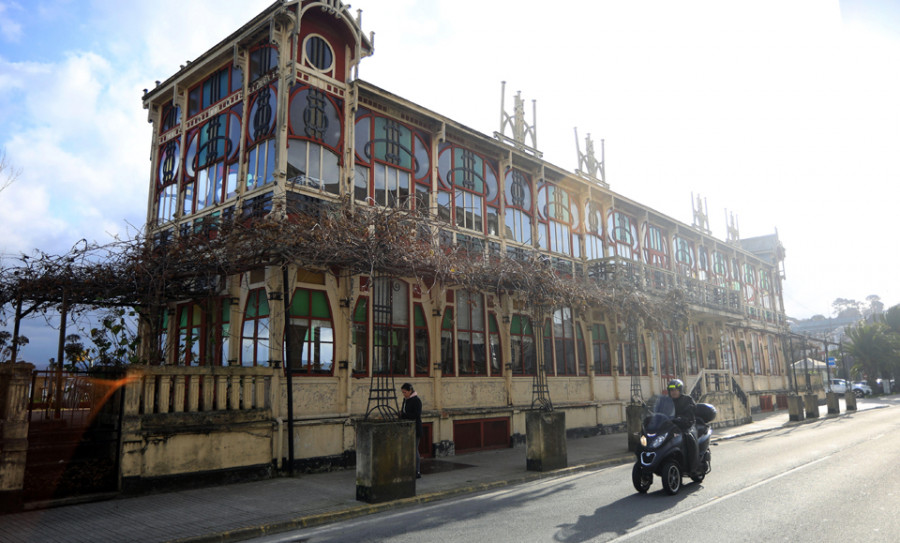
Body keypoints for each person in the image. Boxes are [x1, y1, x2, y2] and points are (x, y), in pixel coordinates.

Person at [667, 378, 698, 473]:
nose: (673, 392)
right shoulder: (667, 402)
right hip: (672, 426)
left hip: (686, 426)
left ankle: (693, 466)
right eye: (671, 390)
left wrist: (684, 418)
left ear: (680, 390)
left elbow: (693, 410)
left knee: (689, 438)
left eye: (675, 390)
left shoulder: (687, 399)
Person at [399, 382, 423, 478]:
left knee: (414, 449)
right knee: (408, 449)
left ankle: (417, 471)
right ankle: (408, 469)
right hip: (407, 428)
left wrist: (404, 415)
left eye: (405, 392)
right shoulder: (406, 400)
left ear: (410, 391)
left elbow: (416, 415)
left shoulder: (416, 400)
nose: (404, 394)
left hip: (415, 428)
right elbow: (404, 412)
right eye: (403, 392)